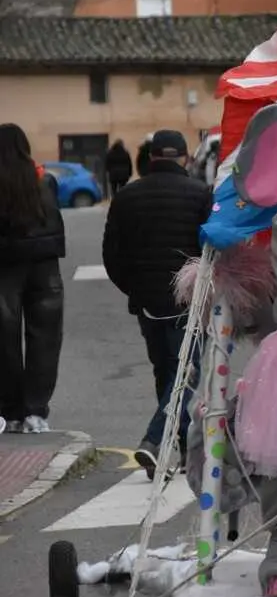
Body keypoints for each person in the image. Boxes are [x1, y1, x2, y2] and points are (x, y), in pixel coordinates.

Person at [102, 130, 212, 479]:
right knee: (187, 375)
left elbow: (112, 256)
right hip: (189, 301)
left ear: (151, 158)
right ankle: (155, 442)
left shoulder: (126, 197)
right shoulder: (201, 194)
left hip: (148, 303)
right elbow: (212, 249)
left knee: (167, 374)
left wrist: (135, 289)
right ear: (185, 158)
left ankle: (168, 454)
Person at [0, 124, 66, 434]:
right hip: (44, 267)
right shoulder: (45, 180)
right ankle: (36, 411)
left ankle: (11, 411)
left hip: (5, 267)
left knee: (5, 341)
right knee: (45, 339)